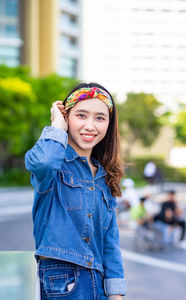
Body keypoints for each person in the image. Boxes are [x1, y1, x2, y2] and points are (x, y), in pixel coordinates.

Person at [25, 82, 127, 300]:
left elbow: (110, 242)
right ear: (66, 117)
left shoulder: (104, 175)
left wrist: (116, 294)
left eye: (100, 118)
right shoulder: (54, 163)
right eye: (81, 115)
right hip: (62, 284)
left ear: (109, 123)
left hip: (98, 285)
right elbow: (43, 163)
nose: (90, 126)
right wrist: (56, 126)